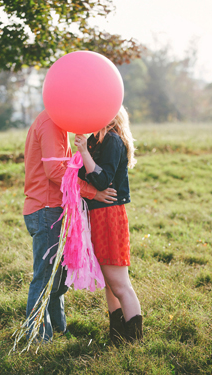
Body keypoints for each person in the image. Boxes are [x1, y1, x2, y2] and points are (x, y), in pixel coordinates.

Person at [23, 110, 118, 340]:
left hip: (55, 209)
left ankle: (58, 326)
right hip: (46, 210)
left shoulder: (58, 123)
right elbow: (55, 171)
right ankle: (36, 335)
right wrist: (92, 192)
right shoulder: (51, 124)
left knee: (58, 278)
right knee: (45, 277)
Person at [75, 106, 142, 344]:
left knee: (120, 283)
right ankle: (117, 337)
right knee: (109, 283)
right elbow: (83, 176)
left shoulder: (112, 140)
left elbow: (102, 181)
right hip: (98, 215)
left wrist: (83, 152)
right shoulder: (97, 141)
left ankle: (134, 341)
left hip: (110, 215)